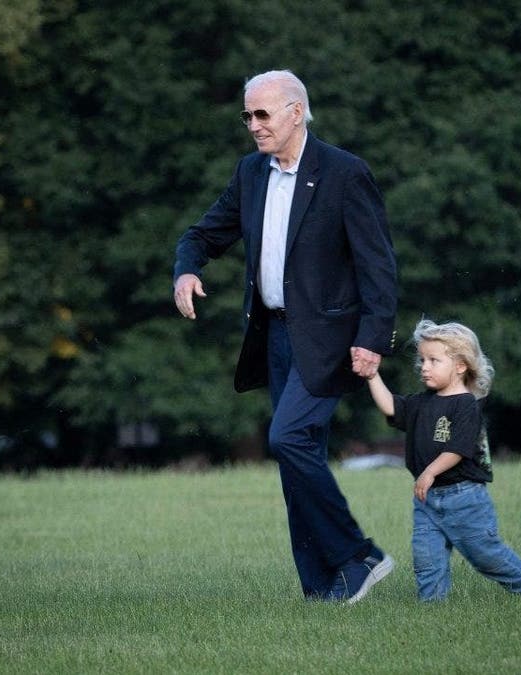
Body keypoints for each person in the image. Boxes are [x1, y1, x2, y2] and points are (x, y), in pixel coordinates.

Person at [173, 70, 398, 603]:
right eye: (247, 115)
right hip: (272, 336)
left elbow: (378, 266)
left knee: (286, 439)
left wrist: (373, 338)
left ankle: (357, 555)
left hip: (330, 339)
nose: (253, 125)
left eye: (262, 114)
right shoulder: (251, 173)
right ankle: (321, 588)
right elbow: (202, 234)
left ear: (296, 112)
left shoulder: (345, 173)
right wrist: (186, 269)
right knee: (300, 459)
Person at [364, 320, 521, 601]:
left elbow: (458, 448)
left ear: (461, 366)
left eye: (433, 360)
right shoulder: (420, 402)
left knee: (486, 556)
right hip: (427, 500)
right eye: (422, 360)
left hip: (464, 497)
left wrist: (429, 472)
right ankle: (432, 608)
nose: (424, 367)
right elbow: (392, 406)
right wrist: (371, 376)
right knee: (426, 559)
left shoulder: (467, 404)